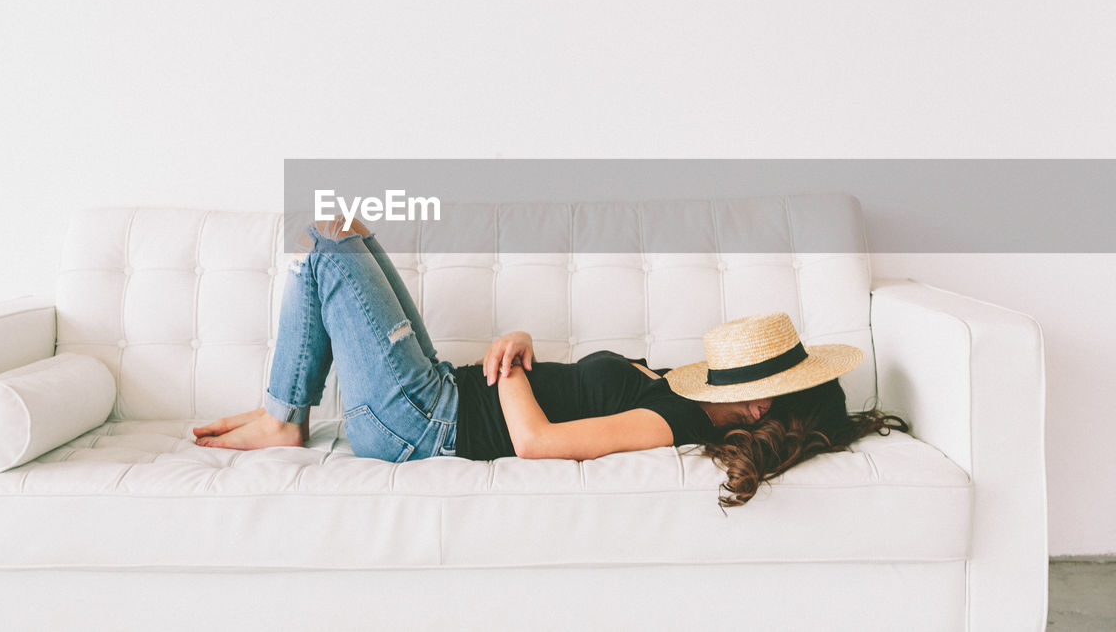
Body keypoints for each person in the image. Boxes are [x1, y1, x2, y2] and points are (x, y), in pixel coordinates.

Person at [193, 219, 907, 508]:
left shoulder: (672, 421)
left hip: (425, 424)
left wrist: (509, 363)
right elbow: (562, 391)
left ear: (759, 405)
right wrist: (522, 343)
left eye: (761, 378)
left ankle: (283, 418)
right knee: (342, 231)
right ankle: (281, 413)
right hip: (439, 394)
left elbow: (538, 444)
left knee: (327, 236)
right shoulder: (674, 389)